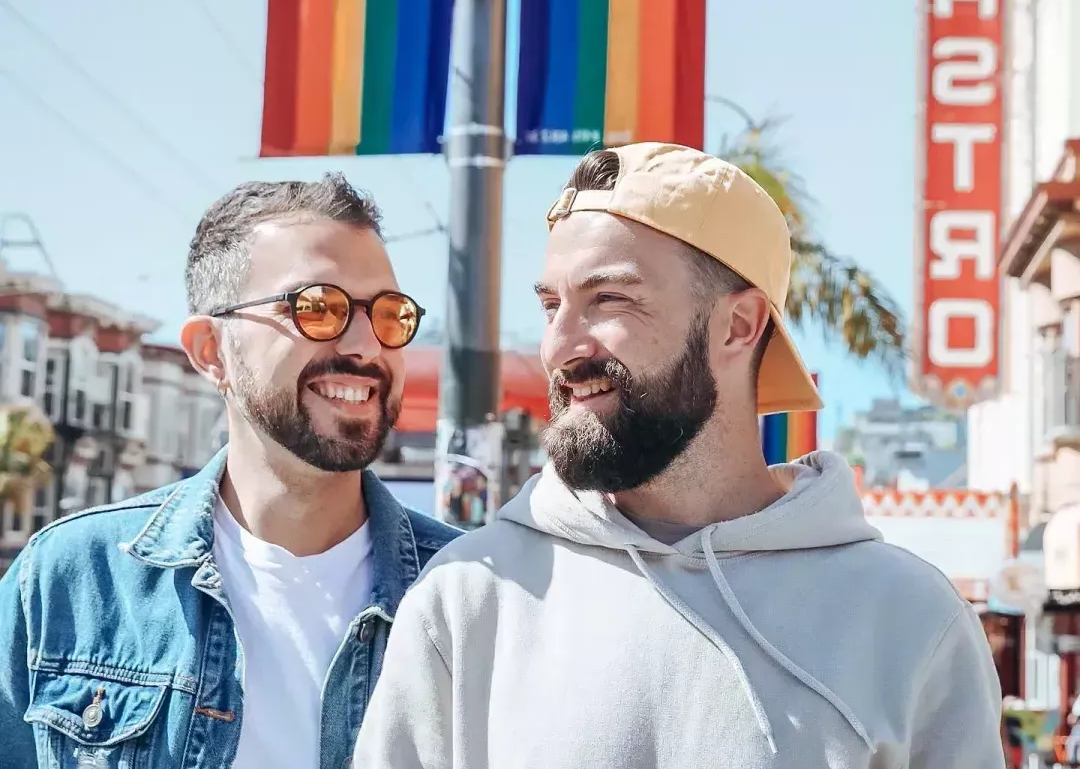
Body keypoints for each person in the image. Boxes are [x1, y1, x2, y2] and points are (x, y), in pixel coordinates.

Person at [354, 143, 1003, 768]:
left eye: (607, 299)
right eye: (552, 305)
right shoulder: (469, 596)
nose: (557, 346)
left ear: (738, 326)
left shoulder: (910, 619)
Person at [0, 173, 459, 768]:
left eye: (390, 315)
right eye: (318, 307)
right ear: (211, 351)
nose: (368, 347)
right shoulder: (70, 580)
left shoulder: (468, 590)